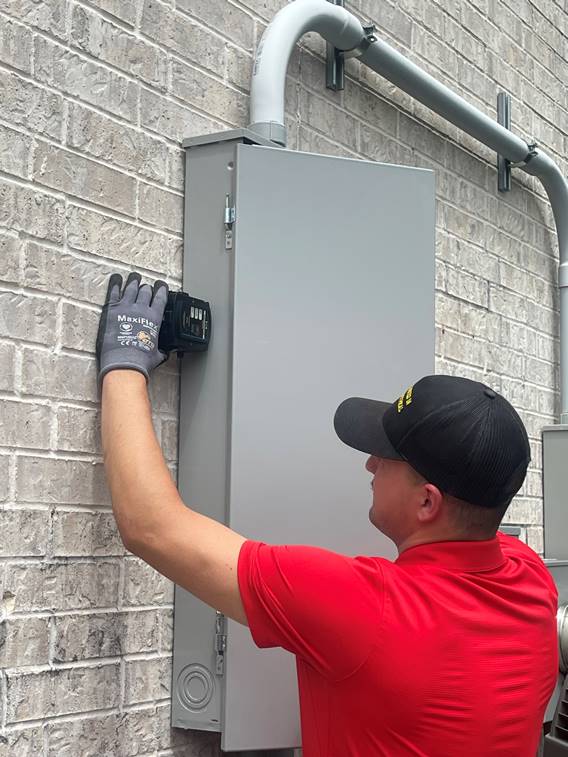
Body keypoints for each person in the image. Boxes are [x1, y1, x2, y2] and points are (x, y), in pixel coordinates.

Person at [97, 272, 558, 757]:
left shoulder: (366, 608)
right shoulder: (530, 579)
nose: (370, 462)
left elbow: (151, 525)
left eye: (386, 455)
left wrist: (126, 360)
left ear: (428, 502)